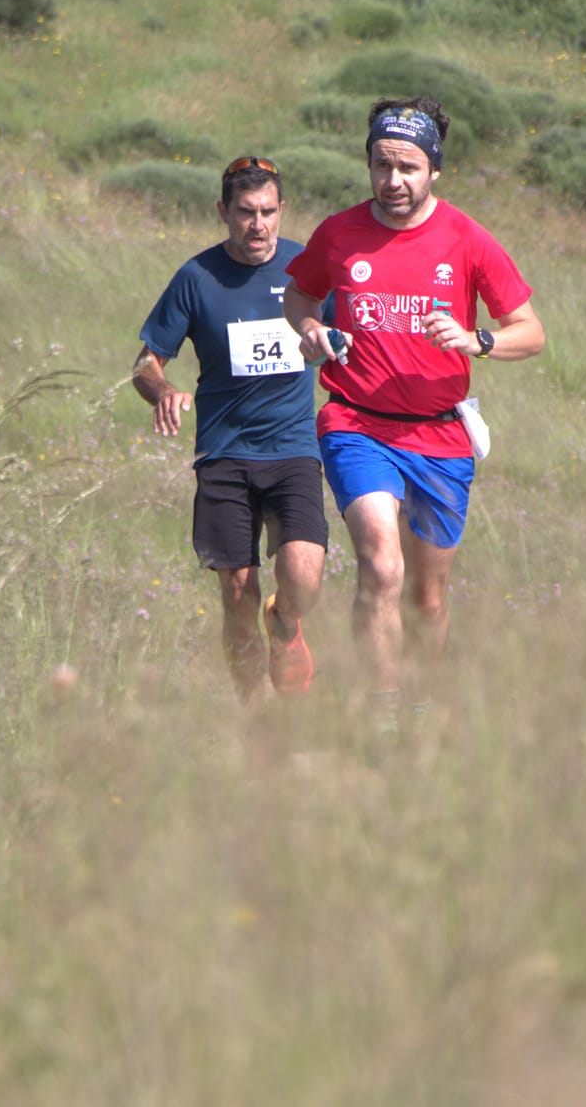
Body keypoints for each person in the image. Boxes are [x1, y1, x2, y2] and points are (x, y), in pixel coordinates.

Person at [282, 98, 544, 724]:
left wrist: (477, 339)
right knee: (379, 563)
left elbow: (530, 332)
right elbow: (299, 294)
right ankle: (381, 714)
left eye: (408, 168)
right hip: (355, 424)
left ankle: (422, 707)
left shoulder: (466, 238)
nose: (393, 181)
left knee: (426, 599)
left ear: (434, 171)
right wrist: (312, 330)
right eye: (381, 165)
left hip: (440, 436)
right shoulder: (340, 233)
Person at [134, 156, 326, 706]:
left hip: (293, 448)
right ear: (224, 212)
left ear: (282, 210)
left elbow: (348, 335)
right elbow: (146, 362)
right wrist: (163, 391)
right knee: (237, 589)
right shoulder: (197, 278)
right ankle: (255, 711)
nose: (258, 225)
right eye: (245, 212)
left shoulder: (306, 269)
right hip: (224, 452)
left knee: (304, 577)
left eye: (268, 212)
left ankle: (285, 625)